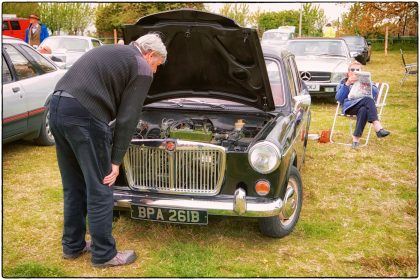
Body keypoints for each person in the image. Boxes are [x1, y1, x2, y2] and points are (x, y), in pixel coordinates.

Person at [49, 33, 167, 267]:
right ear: (150, 55)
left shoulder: (113, 52)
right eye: (156, 66)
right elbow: (128, 118)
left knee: (74, 185)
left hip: (57, 107)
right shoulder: (141, 65)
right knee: (102, 186)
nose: (154, 71)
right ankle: (104, 254)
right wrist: (115, 160)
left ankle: (73, 246)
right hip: (86, 115)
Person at [336, 61, 390, 148]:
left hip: (362, 106)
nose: (354, 71)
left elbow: (375, 93)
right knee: (368, 100)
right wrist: (348, 83)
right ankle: (377, 126)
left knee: (364, 109)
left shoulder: (368, 81)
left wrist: (366, 83)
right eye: (352, 69)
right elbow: (339, 98)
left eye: (357, 70)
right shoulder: (344, 82)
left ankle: (355, 140)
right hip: (350, 107)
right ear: (348, 72)